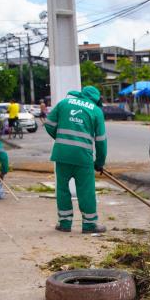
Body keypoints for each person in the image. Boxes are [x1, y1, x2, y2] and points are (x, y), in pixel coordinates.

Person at [44, 85, 108, 234]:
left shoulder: (64, 103)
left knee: (62, 189)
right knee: (86, 191)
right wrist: (99, 163)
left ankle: (64, 223)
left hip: (62, 154)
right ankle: (90, 224)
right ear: (96, 99)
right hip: (83, 157)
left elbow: (48, 124)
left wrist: (61, 138)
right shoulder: (96, 111)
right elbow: (101, 141)